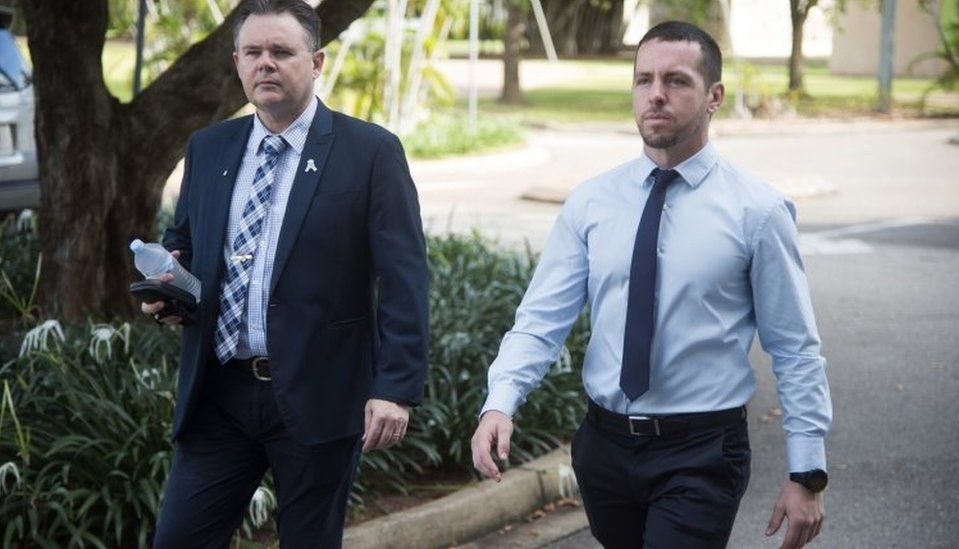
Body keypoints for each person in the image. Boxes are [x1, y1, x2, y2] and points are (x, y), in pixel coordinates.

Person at [470, 21, 831, 549]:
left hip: (702, 452)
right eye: (644, 80)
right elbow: (540, 320)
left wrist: (807, 473)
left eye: (676, 81)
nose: (656, 94)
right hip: (604, 447)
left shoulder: (758, 212)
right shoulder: (592, 202)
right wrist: (500, 402)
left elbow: (795, 348)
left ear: (714, 97)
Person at [142, 1, 428, 546]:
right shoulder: (210, 147)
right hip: (219, 396)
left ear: (316, 61)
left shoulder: (369, 152)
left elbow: (404, 278)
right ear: (236, 62)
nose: (265, 64)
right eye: (253, 52)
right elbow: (186, 243)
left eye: (281, 52)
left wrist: (395, 387)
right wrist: (169, 284)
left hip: (318, 395)